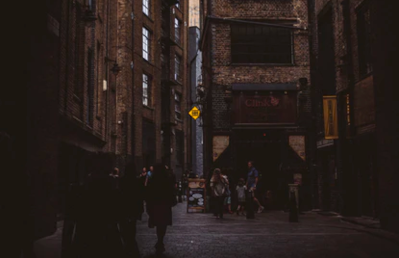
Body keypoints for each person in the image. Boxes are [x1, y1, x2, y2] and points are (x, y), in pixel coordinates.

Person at [146, 163, 176, 255]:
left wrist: (148, 205)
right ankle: (160, 240)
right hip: (165, 205)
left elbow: (148, 192)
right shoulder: (167, 179)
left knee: (158, 223)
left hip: (155, 205)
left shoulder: (153, 179)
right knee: (163, 224)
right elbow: (171, 191)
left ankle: (160, 241)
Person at [119, 160, 142, 257]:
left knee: (124, 230)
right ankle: (132, 249)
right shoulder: (137, 181)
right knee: (132, 229)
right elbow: (139, 196)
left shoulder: (122, 180)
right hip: (133, 209)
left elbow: (119, 195)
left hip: (123, 208)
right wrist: (140, 211)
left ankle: (128, 248)